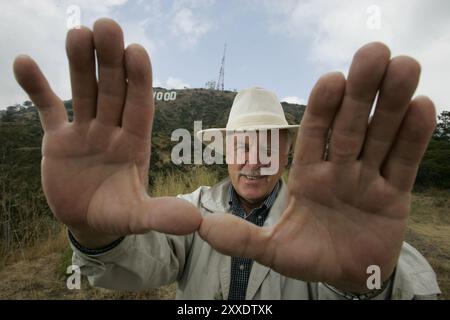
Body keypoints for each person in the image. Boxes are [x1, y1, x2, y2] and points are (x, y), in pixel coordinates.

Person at [13, 18, 441, 299]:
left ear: (288, 153)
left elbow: (403, 278)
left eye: (268, 144)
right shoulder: (187, 212)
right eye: (242, 144)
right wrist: (90, 230)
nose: (253, 160)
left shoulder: (329, 217)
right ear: (223, 152)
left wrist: (368, 285)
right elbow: (130, 270)